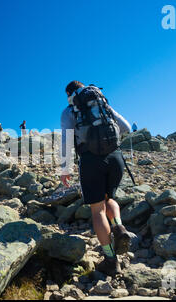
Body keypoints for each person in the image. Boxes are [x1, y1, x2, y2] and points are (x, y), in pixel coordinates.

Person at [60, 80, 133, 276]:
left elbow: (66, 139)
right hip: (115, 157)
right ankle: (118, 227)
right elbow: (126, 127)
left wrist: (65, 169)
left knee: (97, 210)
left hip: (91, 160)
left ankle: (110, 260)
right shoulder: (102, 104)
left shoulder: (69, 111)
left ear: (69, 94)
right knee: (110, 199)